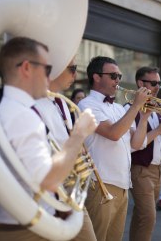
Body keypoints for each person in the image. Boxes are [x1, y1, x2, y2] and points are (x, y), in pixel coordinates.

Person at [0, 37, 97, 240]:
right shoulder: (20, 114)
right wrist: (78, 135)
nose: (50, 78)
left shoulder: (11, 106)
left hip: (33, 221)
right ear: (27, 68)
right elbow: (48, 179)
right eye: (47, 70)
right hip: (29, 229)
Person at [78, 56, 150, 241]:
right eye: (113, 76)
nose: (117, 80)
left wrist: (144, 117)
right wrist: (135, 107)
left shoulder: (119, 108)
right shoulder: (87, 104)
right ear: (96, 77)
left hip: (122, 184)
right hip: (101, 184)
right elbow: (113, 133)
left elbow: (136, 143)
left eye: (119, 76)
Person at [35, 60, 97, 241]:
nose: (75, 75)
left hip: (70, 193)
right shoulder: (35, 104)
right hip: (48, 199)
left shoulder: (62, 103)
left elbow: (66, 143)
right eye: (72, 69)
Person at [124, 66, 161, 241]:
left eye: (159, 83)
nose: (157, 87)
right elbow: (134, 145)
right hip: (140, 169)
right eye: (153, 83)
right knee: (149, 217)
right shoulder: (128, 109)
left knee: (141, 215)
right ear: (140, 83)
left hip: (157, 170)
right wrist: (159, 130)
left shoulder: (158, 109)